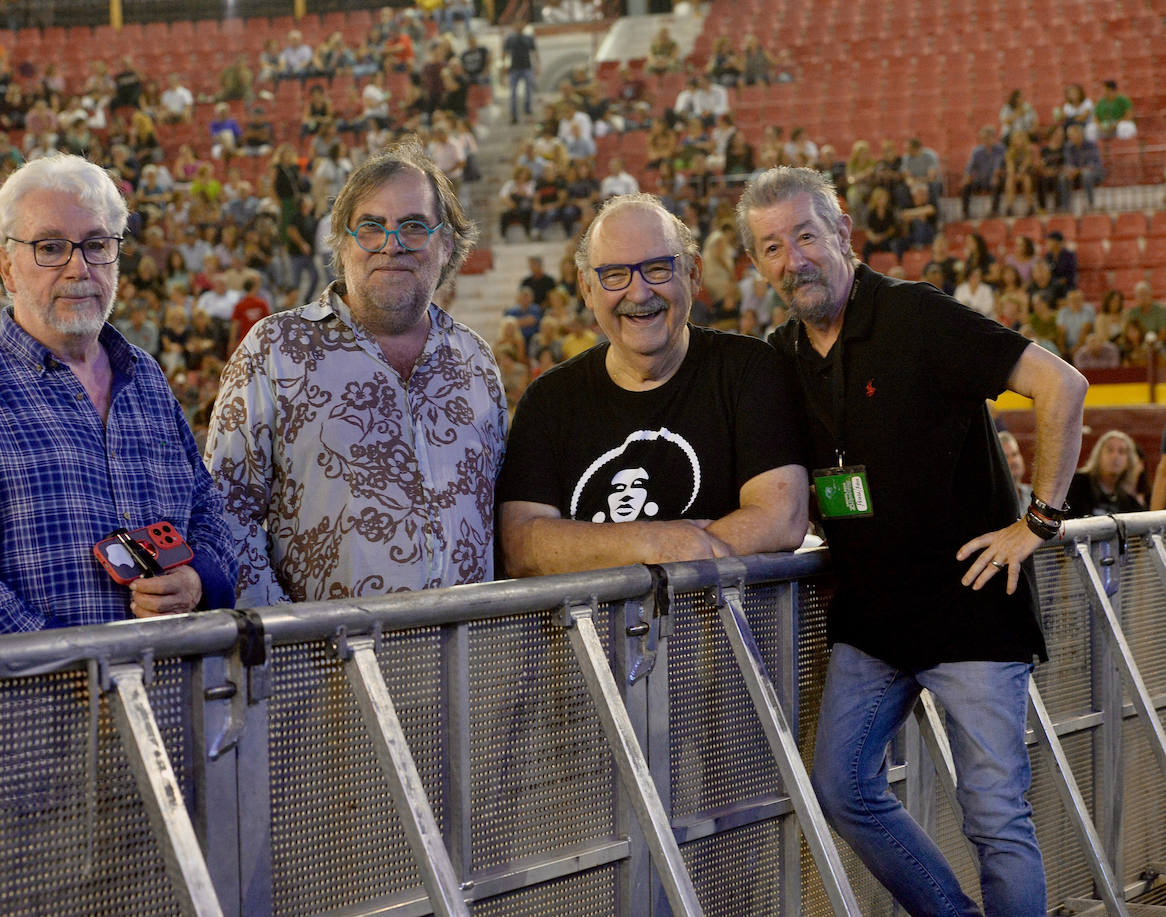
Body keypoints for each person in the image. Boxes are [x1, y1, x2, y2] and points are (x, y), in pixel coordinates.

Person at [739, 166, 1087, 917]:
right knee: (842, 786)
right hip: (873, 625)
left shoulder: (918, 316)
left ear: (843, 234)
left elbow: (1063, 385)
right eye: (771, 246)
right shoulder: (781, 352)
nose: (793, 259)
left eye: (805, 234)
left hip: (970, 615)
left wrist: (1039, 522)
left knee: (995, 819)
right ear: (757, 264)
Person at [0, 153, 237, 640]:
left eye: (97, 244)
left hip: (159, 690)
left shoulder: (145, 377)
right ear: (6, 267)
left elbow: (207, 509)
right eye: (51, 247)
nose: (79, 267)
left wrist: (197, 579)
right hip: (28, 705)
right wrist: (64, 658)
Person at [204, 139, 505, 605]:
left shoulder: (477, 361)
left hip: (468, 662)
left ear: (446, 244)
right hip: (327, 664)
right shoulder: (274, 349)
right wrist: (288, 639)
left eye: (413, 226)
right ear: (343, 244)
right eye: (371, 227)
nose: (391, 245)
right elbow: (226, 512)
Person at [496, 192, 809, 577]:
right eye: (614, 275)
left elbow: (783, 516)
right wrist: (654, 543)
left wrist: (601, 553)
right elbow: (521, 545)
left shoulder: (749, 370)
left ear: (693, 274)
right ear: (586, 289)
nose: (639, 292)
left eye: (658, 268)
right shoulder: (548, 400)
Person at [1066, 429, 1145, 517]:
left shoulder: (1129, 503)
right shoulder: (1076, 484)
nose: (1115, 456)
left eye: (1121, 451)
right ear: (1098, 456)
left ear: (1128, 461)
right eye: (1110, 450)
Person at [502, 25, 538, 125]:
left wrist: (537, 65)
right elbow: (505, 53)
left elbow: (534, 52)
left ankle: (528, 109)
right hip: (514, 68)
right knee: (513, 92)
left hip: (527, 67)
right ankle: (513, 114)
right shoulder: (510, 39)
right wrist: (503, 66)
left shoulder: (528, 38)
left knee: (529, 90)